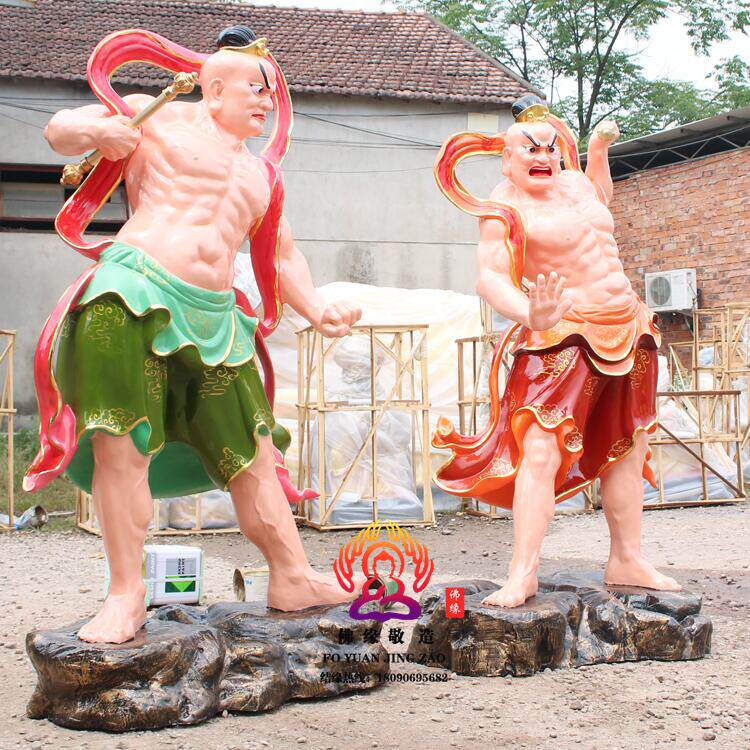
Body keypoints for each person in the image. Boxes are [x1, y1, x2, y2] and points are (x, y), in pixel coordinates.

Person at [25, 26, 362, 643]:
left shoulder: (262, 177)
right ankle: (126, 594)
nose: (266, 101)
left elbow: (281, 254)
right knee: (123, 442)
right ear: (214, 90)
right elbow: (59, 128)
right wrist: (100, 133)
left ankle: (292, 576)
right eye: (255, 88)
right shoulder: (160, 119)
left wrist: (316, 309)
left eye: (271, 92)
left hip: (215, 317)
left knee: (253, 450)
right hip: (133, 293)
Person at [433, 94, 681, 607]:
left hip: (628, 325)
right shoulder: (503, 208)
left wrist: (598, 152)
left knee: (628, 447)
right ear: (507, 158)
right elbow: (490, 278)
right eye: (531, 149)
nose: (543, 157)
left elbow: (600, 205)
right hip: (561, 334)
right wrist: (530, 312)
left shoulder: (574, 184)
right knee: (541, 450)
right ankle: (522, 571)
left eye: (551, 148)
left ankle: (627, 557)